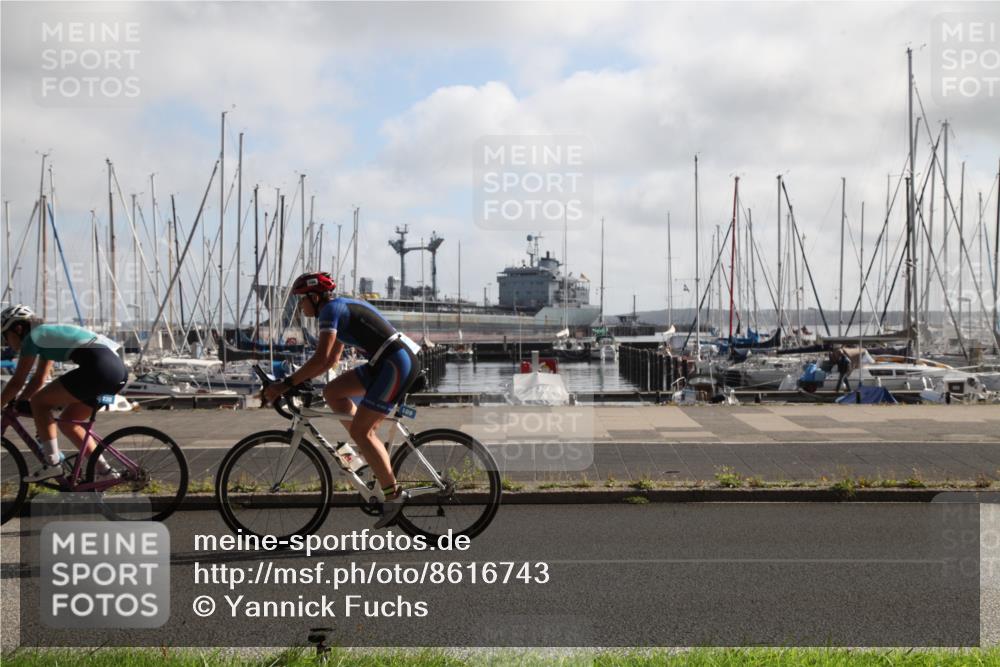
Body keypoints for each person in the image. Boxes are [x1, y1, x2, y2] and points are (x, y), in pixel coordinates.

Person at [261, 273, 421, 529]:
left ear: (315, 297)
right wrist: (301, 381)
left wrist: (286, 384)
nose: (300, 306)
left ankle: (394, 496)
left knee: (361, 431)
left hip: (395, 364)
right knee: (333, 392)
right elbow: (332, 361)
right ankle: (366, 451)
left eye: (302, 300)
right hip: (383, 363)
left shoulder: (330, 311)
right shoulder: (337, 309)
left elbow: (321, 358)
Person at [0, 305, 129, 482]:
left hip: (99, 369)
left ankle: (53, 463)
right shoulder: (45, 336)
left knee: (39, 402)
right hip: (117, 373)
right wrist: (20, 400)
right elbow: (38, 379)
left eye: (5, 335)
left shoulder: (32, 337)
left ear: (18, 328)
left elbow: (17, 382)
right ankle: (105, 472)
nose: (6, 341)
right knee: (69, 423)